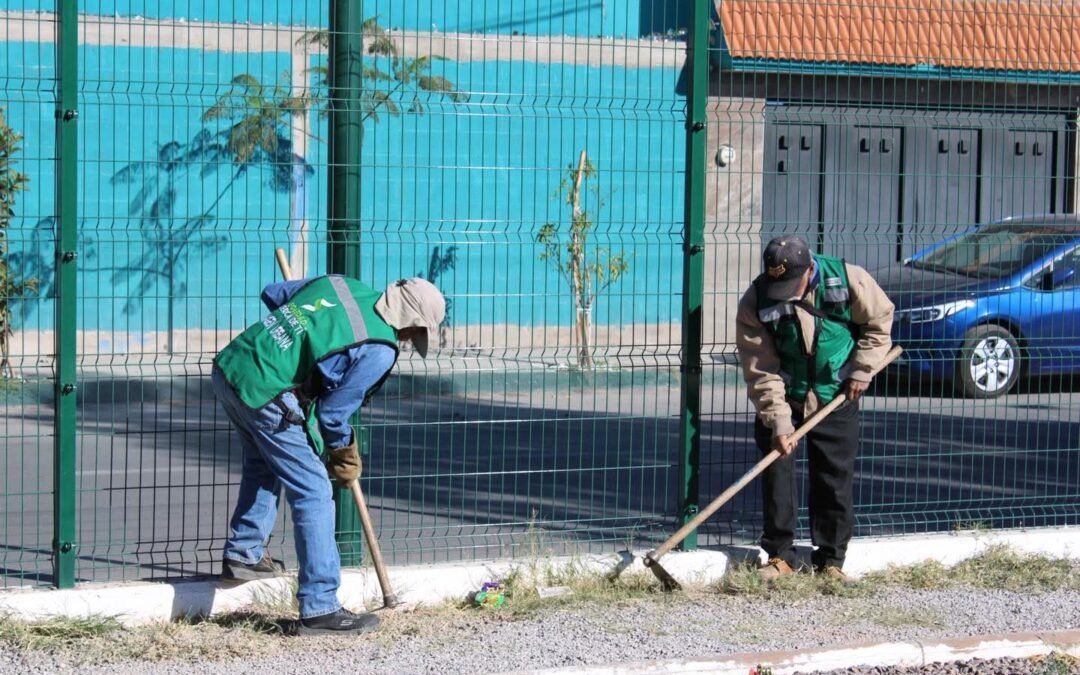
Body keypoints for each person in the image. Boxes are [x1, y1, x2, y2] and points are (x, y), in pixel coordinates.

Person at [211, 274, 445, 635]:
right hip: (270, 391)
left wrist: (308, 332)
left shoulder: (340, 284)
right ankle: (320, 607)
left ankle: (245, 553)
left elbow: (273, 294)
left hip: (232, 367)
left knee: (264, 463)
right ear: (410, 323)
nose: (411, 340)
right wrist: (344, 452)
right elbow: (333, 414)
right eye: (416, 332)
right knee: (314, 491)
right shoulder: (379, 348)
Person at [735, 236, 893, 582]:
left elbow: (879, 323)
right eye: (780, 286)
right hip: (785, 395)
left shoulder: (849, 279)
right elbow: (760, 366)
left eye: (792, 284)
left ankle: (831, 561)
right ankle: (780, 557)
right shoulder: (757, 298)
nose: (786, 293)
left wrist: (862, 370)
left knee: (834, 480)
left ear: (810, 269)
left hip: (836, 394)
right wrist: (778, 420)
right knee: (776, 473)